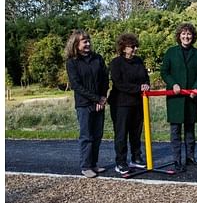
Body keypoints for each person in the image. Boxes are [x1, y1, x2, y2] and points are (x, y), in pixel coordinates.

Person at [160, 23, 197, 173]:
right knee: (175, 130)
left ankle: (190, 157)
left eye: (189, 34)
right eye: (183, 34)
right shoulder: (171, 52)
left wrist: (196, 88)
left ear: (193, 37)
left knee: (190, 129)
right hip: (175, 98)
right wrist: (173, 84)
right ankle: (177, 159)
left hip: (192, 97)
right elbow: (164, 72)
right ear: (179, 36)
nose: (186, 37)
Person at [64, 29, 109, 178]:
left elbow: (104, 78)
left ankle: (94, 164)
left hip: (99, 102)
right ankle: (86, 166)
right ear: (76, 44)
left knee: (97, 135)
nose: (88, 44)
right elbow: (76, 85)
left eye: (88, 41)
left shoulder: (98, 58)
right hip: (84, 104)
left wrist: (102, 97)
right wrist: (96, 99)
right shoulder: (72, 62)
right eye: (84, 42)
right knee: (87, 136)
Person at [107, 33, 151, 175]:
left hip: (137, 103)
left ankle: (136, 157)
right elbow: (119, 84)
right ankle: (120, 162)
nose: (135, 49)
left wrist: (146, 85)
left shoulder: (138, 61)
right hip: (121, 103)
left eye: (135, 46)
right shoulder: (116, 63)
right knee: (121, 133)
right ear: (124, 48)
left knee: (136, 132)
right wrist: (138, 88)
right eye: (132, 47)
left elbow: (145, 78)